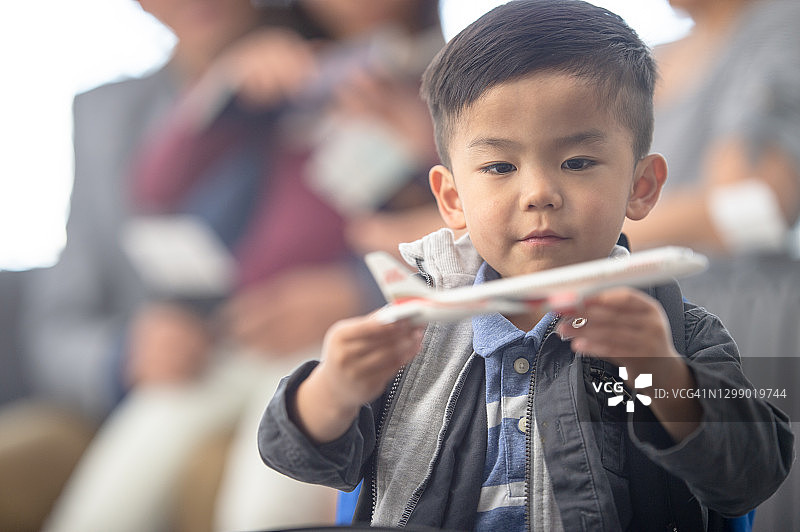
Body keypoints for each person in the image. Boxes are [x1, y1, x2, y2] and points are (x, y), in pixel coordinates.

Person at [257, 1, 794, 530]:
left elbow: (753, 475)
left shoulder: (675, 332)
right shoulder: (414, 331)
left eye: (578, 162)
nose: (538, 192)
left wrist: (657, 372)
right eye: (499, 166)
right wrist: (332, 389)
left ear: (641, 186)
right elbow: (295, 456)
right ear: (452, 199)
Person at [33, 1, 445, 531]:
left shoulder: (438, 86)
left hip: (330, 340)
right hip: (231, 337)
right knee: (108, 500)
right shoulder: (277, 75)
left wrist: (420, 150)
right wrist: (222, 92)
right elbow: (159, 187)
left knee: (270, 499)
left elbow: (445, 230)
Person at [621, 1, 800, 529]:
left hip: (751, 329)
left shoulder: (780, 27)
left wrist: (579, 242)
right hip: (661, 332)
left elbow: (754, 206)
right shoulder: (653, 57)